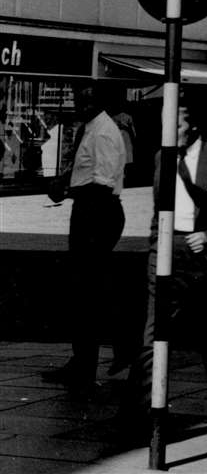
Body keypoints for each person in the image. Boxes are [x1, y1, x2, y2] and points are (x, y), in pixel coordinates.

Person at [123, 106, 207, 444]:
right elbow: (157, 209)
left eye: (177, 123)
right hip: (168, 251)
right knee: (153, 335)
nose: (169, 129)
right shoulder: (161, 157)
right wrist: (156, 249)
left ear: (193, 125)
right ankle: (146, 412)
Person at [41, 86, 133, 391]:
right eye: (80, 99)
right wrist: (65, 183)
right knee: (83, 291)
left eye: (88, 100)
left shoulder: (105, 132)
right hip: (87, 211)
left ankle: (116, 350)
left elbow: (103, 183)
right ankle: (83, 360)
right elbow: (84, 171)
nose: (81, 104)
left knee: (90, 290)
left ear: (100, 102)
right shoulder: (89, 128)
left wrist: (67, 190)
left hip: (98, 213)